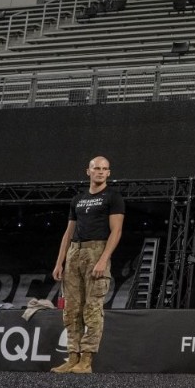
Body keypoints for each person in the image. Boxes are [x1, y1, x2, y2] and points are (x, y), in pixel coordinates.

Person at [49, 156, 124, 374]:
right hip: (75, 252)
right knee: (71, 309)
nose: (100, 172)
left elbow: (116, 231)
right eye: (96, 168)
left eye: (104, 169)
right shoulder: (78, 199)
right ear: (88, 171)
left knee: (92, 308)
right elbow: (68, 232)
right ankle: (72, 357)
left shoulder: (113, 197)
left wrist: (103, 259)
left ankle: (86, 361)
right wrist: (60, 261)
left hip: (96, 250)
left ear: (108, 173)